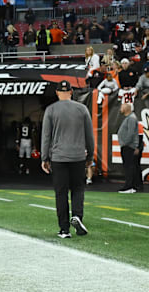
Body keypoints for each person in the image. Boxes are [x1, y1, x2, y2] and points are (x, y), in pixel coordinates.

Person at [40, 81, 94, 238]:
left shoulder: (50, 110)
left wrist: (45, 157)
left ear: (57, 93)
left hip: (58, 157)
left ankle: (64, 229)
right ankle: (77, 216)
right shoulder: (82, 109)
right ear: (71, 92)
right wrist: (90, 156)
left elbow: (46, 137)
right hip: (78, 156)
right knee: (78, 189)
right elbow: (89, 136)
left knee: (61, 193)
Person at [117, 103, 139, 193]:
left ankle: (129, 186)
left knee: (128, 167)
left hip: (128, 146)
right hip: (127, 146)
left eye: (122, 106)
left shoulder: (131, 118)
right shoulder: (129, 118)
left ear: (128, 108)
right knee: (128, 167)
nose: (120, 108)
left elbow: (131, 133)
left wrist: (125, 143)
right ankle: (130, 186)